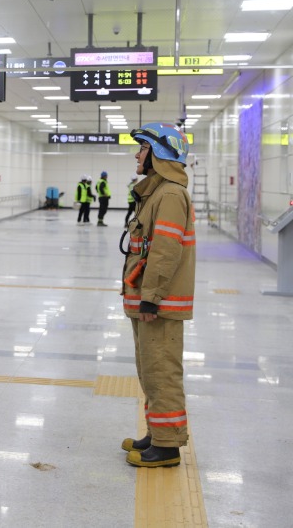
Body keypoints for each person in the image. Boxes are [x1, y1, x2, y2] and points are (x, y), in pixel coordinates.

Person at [120, 123, 195, 469]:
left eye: (143, 149)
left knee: (162, 371)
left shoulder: (168, 195)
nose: (137, 154)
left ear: (159, 154)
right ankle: (157, 432)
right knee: (150, 370)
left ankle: (167, 447)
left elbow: (165, 251)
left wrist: (151, 297)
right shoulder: (157, 192)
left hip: (159, 305)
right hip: (150, 301)